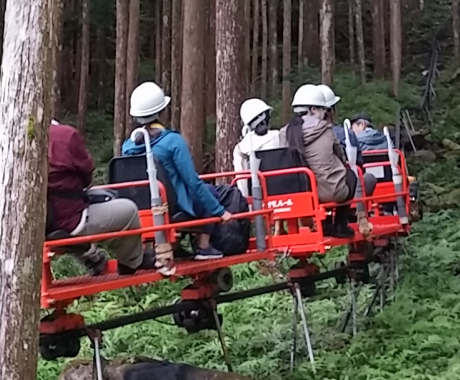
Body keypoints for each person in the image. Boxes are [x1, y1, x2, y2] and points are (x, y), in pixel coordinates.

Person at [122, 82, 247, 259]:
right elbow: (192, 181)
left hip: (141, 208)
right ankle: (203, 245)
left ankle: (175, 245)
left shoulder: (127, 148)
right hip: (172, 207)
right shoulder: (173, 142)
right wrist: (220, 211)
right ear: (161, 112)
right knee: (209, 191)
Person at [43, 120, 151, 275]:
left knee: (97, 198)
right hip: (69, 220)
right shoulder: (64, 136)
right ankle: (133, 262)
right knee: (129, 210)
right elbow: (87, 173)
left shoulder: (8, 138)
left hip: (37, 226)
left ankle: (92, 256)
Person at [280, 84, 356, 205]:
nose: (325, 112)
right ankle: (340, 222)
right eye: (323, 109)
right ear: (314, 109)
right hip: (328, 192)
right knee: (350, 175)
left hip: (298, 194)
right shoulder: (325, 129)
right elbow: (341, 156)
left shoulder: (284, 132)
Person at [232, 98, 283, 198]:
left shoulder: (240, 149)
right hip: (286, 197)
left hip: (256, 201)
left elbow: (242, 184)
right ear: (264, 117)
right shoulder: (280, 137)